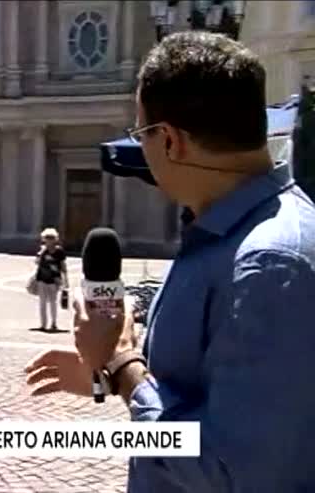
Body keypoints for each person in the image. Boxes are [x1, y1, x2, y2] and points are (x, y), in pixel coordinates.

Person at [25, 31, 315, 492]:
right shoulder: (223, 235)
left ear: (169, 140)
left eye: (141, 134)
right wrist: (107, 375)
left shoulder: (268, 264)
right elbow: (208, 391)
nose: (141, 148)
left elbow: (228, 471)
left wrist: (123, 366)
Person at [34, 228, 68, 332]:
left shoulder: (59, 251)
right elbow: (36, 262)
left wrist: (66, 280)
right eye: (47, 238)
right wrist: (41, 253)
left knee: (53, 302)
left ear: (55, 239)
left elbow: (63, 266)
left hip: (54, 280)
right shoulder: (42, 250)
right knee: (42, 302)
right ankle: (43, 324)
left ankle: (54, 323)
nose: (49, 240)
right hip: (42, 278)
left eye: (51, 238)